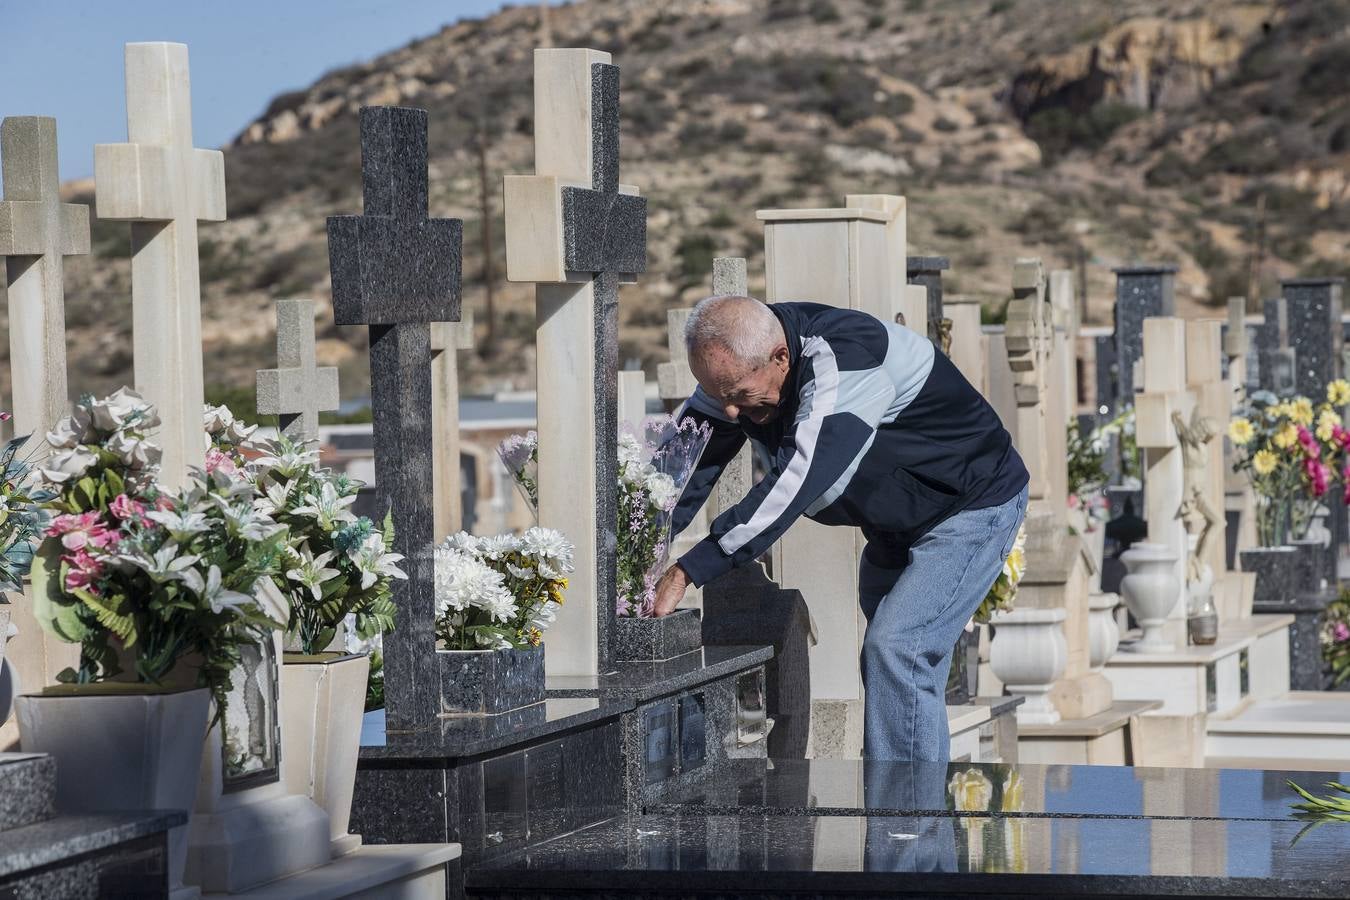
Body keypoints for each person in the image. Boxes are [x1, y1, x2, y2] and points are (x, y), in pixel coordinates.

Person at [652, 294, 1028, 763]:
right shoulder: (737, 363)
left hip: (970, 506)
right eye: (718, 396)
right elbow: (679, 472)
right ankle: (912, 812)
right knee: (901, 674)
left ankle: (905, 826)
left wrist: (690, 568)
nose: (730, 412)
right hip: (896, 524)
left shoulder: (845, 362)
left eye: (739, 397)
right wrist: (637, 552)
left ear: (781, 358)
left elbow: (797, 479)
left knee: (897, 651)